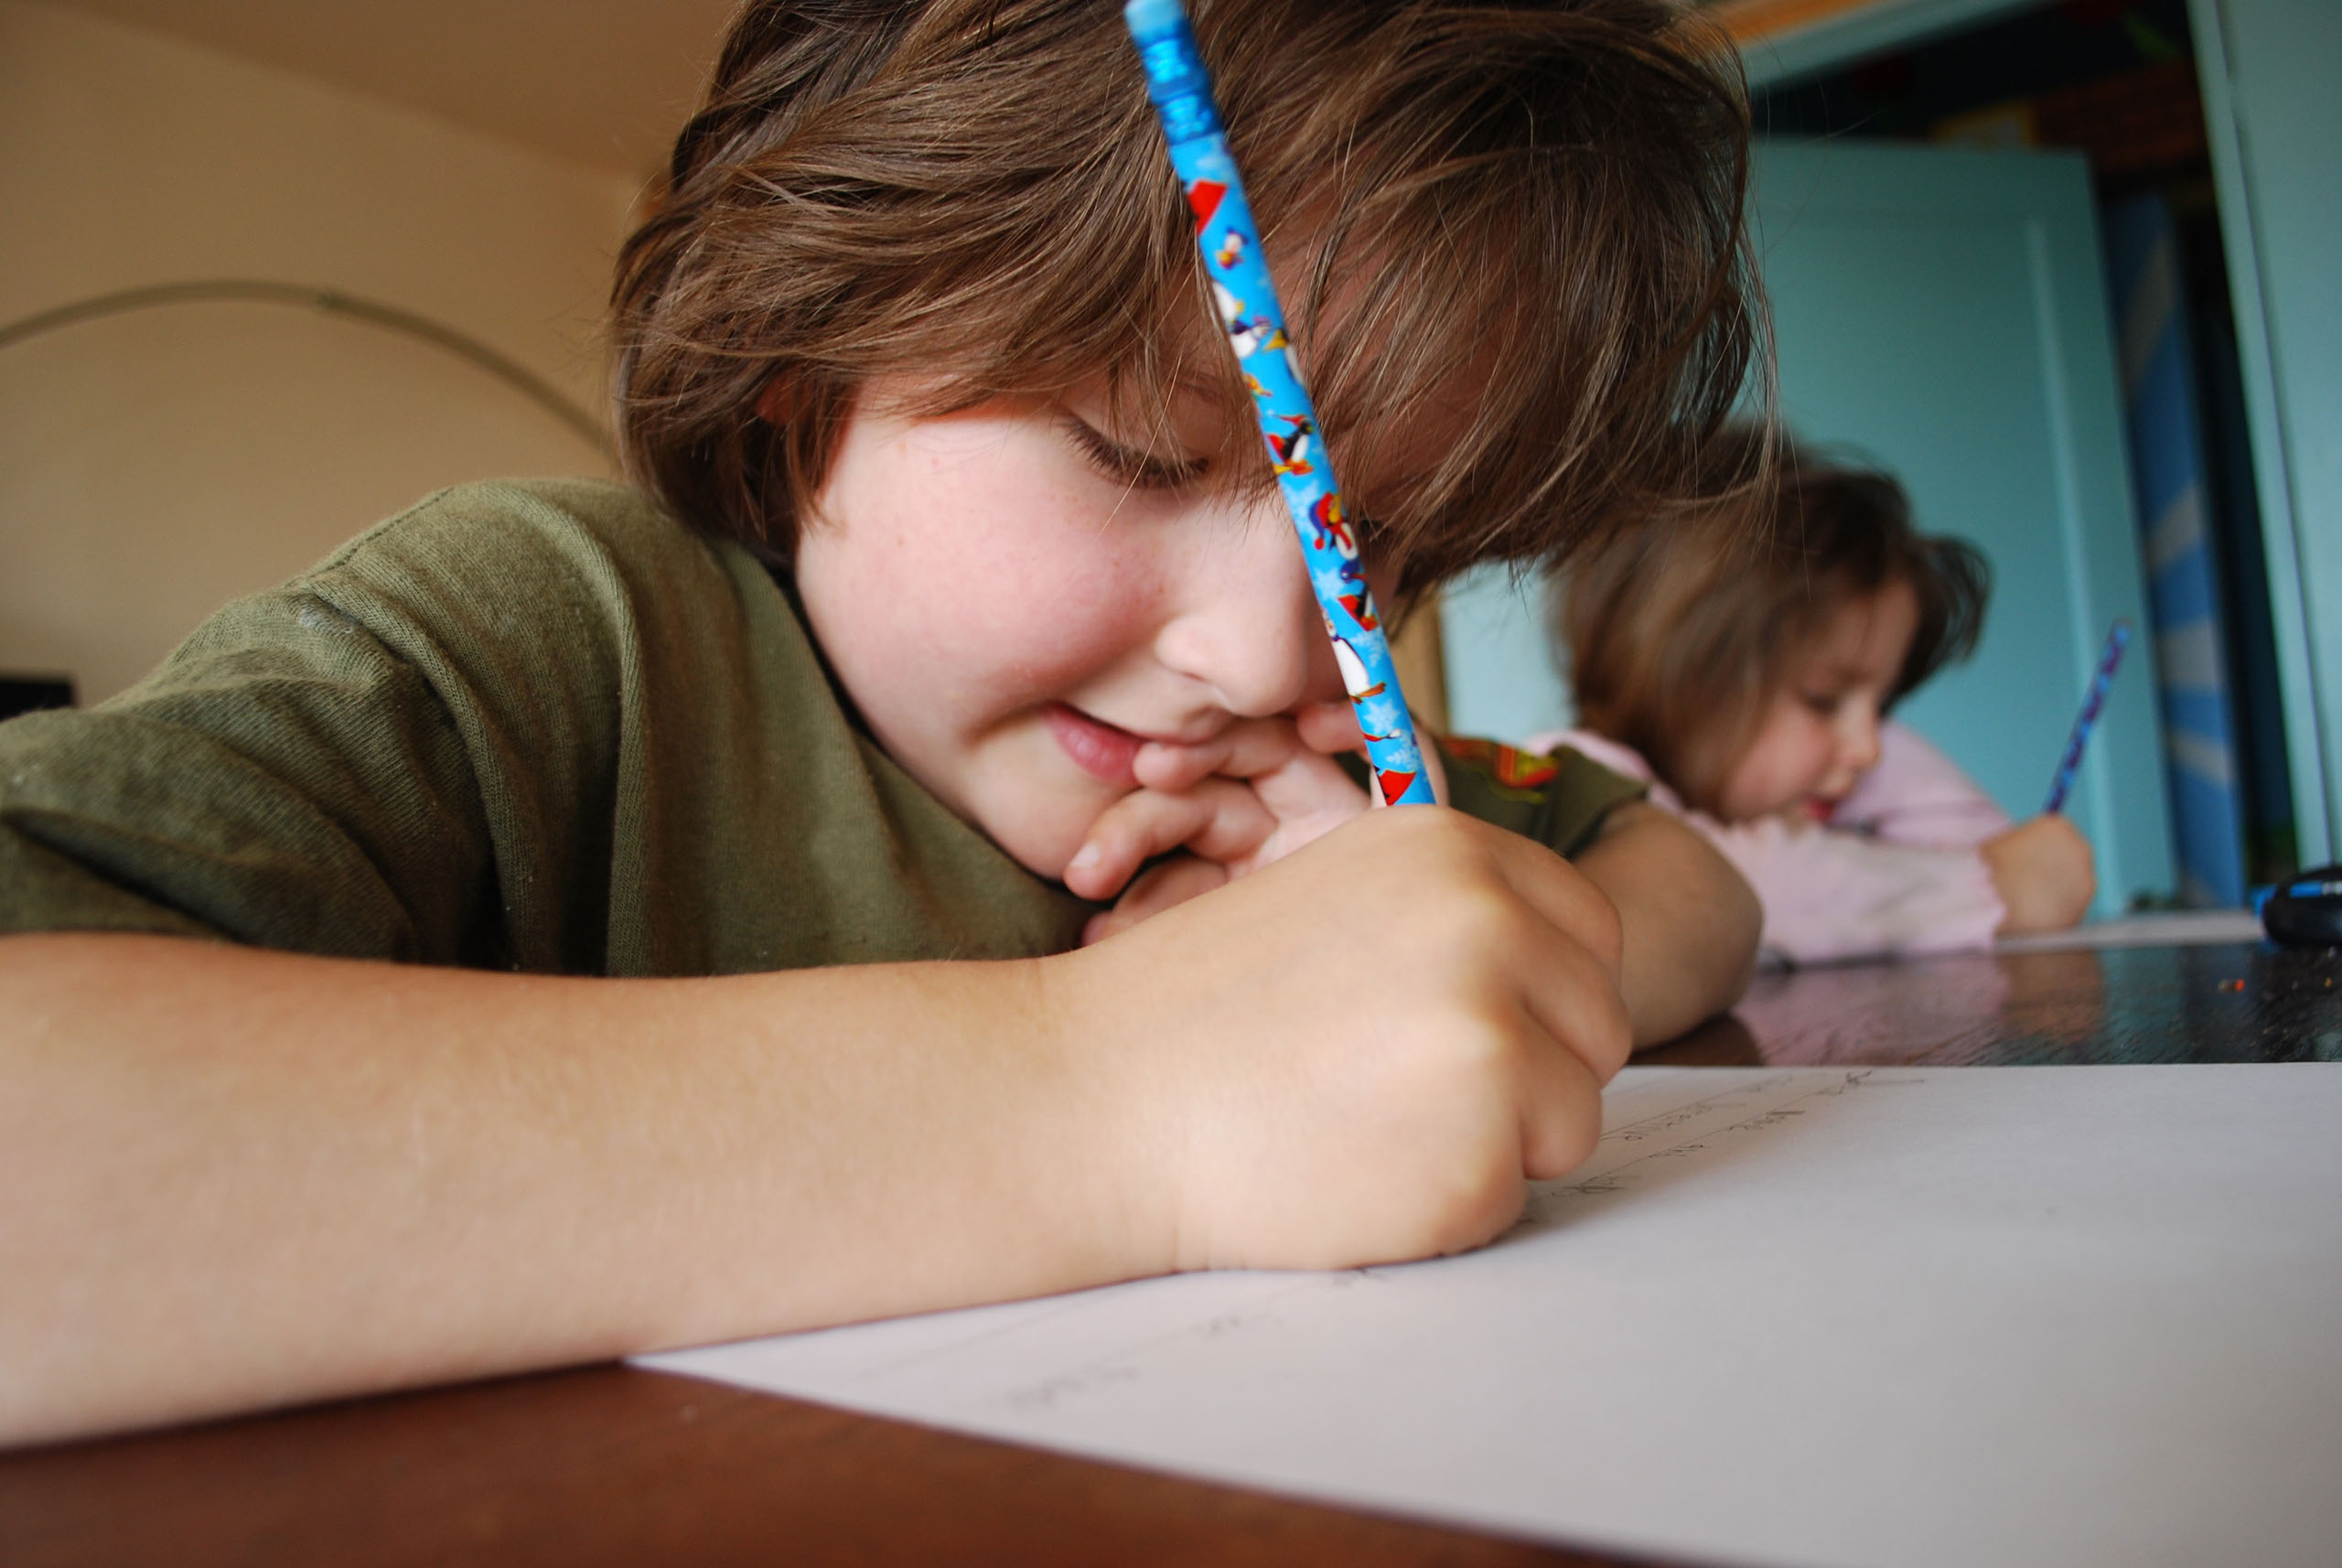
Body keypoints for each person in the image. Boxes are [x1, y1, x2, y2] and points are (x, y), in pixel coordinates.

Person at [0, 0, 1764, 1443]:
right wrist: (1126, 1088)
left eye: (1392, 546)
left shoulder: (1306, 779)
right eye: (1138, 451)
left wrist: (1470, 971)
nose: (1265, 649)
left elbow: (1664, 860)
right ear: (806, 350)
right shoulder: (554, 635)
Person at [1528, 427, 2097, 966]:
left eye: (1883, 703)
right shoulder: (1574, 777)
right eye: (1824, 699)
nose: (1870, 748)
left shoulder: (1826, 782)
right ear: (1679, 673)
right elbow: (1726, 892)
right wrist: (1986, 888)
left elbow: (2002, 852)